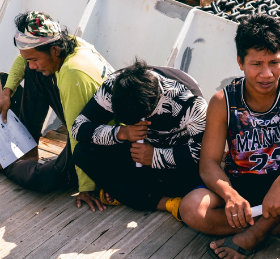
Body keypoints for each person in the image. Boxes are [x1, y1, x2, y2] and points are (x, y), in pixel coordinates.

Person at [178, 15, 280, 259]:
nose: (267, 74)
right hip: (244, 187)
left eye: (274, 62)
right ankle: (276, 227)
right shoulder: (223, 101)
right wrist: (229, 194)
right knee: (192, 209)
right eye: (256, 64)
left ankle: (256, 233)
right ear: (240, 62)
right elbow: (208, 162)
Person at [0, 11, 113, 211]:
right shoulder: (71, 43)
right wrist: (7, 91)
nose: (31, 65)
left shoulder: (72, 73)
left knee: (44, 180)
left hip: (101, 144)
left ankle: (7, 161)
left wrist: (86, 187)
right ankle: (25, 149)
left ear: (55, 50)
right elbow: (25, 60)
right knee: (35, 72)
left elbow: (78, 134)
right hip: (87, 122)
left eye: (34, 59)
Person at [71, 60, 206, 216]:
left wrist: (156, 157)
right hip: (137, 156)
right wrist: (121, 132)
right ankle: (158, 200)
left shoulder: (189, 101)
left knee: (195, 179)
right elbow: (78, 127)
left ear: (159, 98)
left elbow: (204, 151)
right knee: (82, 152)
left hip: (172, 162)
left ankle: (131, 195)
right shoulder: (113, 86)